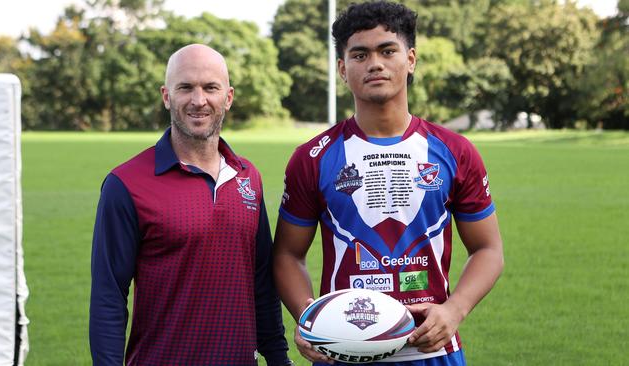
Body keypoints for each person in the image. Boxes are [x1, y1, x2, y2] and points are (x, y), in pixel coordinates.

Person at [273, 2, 504, 365]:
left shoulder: (455, 151)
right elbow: (287, 254)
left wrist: (454, 310)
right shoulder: (312, 157)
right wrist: (308, 319)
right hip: (344, 351)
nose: (375, 63)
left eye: (387, 50)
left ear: (410, 59)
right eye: (360, 54)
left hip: (432, 351)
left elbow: (488, 249)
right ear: (342, 69)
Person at [90, 44, 291, 365]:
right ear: (166, 96)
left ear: (228, 96)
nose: (199, 100)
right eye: (185, 87)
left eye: (210, 87)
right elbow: (108, 296)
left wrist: (278, 358)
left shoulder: (248, 177)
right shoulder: (125, 184)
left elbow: (262, 281)